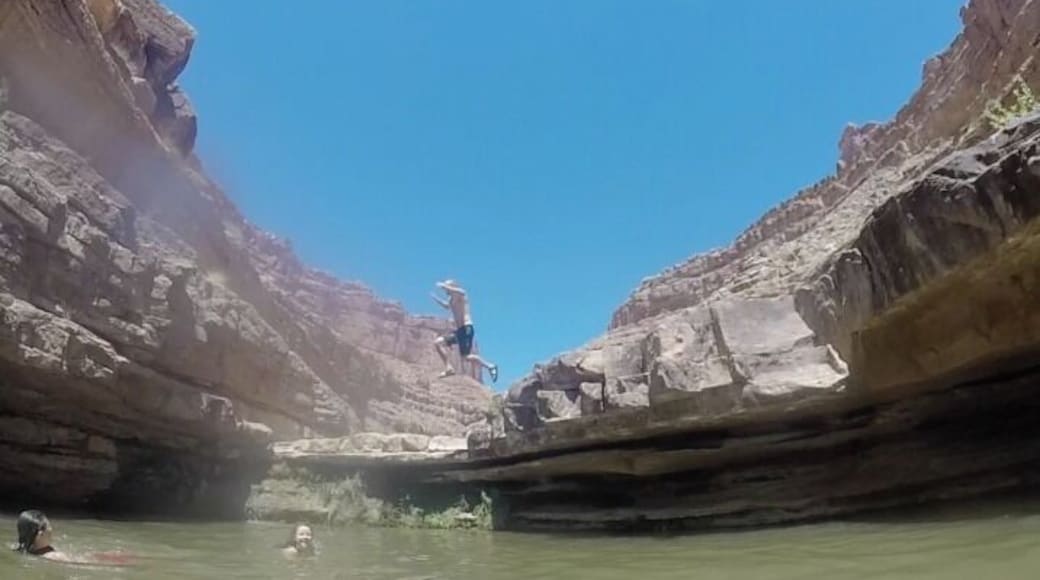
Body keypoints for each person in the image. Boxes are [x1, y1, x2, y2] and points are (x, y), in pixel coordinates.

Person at [431, 279, 499, 382]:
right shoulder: (451, 300)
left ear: (453, 286)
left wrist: (444, 286)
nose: (446, 290)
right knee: (438, 343)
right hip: (459, 332)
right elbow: (446, 306)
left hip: (467, 329)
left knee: (466, 357)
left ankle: (490, 366)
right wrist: (435, 298)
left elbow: (461, 291)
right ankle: (449, 368)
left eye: (448, 286)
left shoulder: (461, 295)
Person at [12, 509, 134, 566]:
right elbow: (84, 563)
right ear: (40, 535)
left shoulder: (22, 549)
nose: (52, 529)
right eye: (49, 525)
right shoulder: (54, 556)